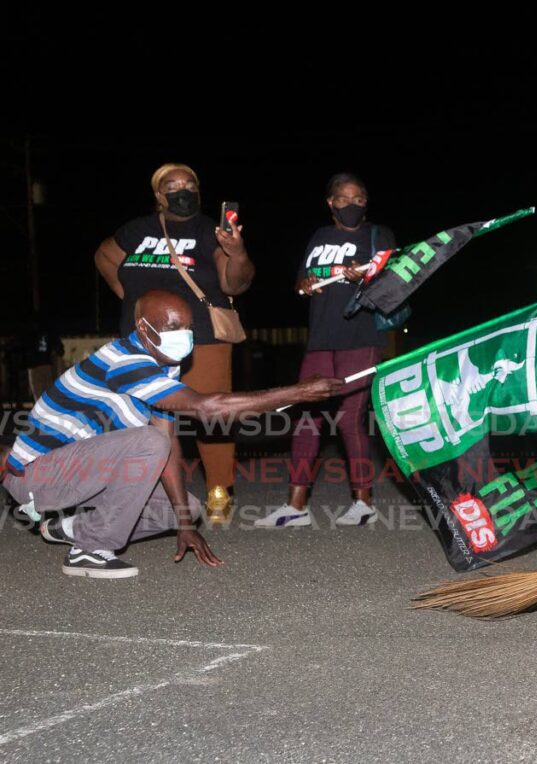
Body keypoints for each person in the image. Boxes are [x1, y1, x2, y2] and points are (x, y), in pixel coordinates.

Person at [0, 291, 345, 579]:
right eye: (172, 327)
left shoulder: (162, 365)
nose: (184, 335)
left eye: (188, 327)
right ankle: (89, 551)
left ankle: (73, 530)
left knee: (185, 508)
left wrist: (184, 523)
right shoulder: (126, 361)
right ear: (143, 328)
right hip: (38, 477)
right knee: (148, 441)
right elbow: (208, 409)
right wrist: (298, 393)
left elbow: (167, 445)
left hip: (80, 475)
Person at [94, 163, 255, 522]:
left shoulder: (209, 230)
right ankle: (167, 494)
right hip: (144, 341)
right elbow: (104, 256)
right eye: (172, 185)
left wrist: (237, 251)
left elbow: (235, 284)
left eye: (189, 184)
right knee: (152, 419)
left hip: (201, 338)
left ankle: (219, 489)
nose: (182, 190)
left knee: (212, 413)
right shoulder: (137, 230)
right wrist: (127, 294)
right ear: (158, 195)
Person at [256, 173, 396, 529]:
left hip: (360, 337)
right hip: (320, 338)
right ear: (331, 202)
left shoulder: (379, 236)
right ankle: (296, 505)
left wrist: (362, 278)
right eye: (345, 199)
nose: (353, 204)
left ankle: (363, 502)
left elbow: (392, 282)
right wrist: (304, 284)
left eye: (360, 199)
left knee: (349, 418)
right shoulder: (320, 236)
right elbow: (303, 281)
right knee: (307, 418)